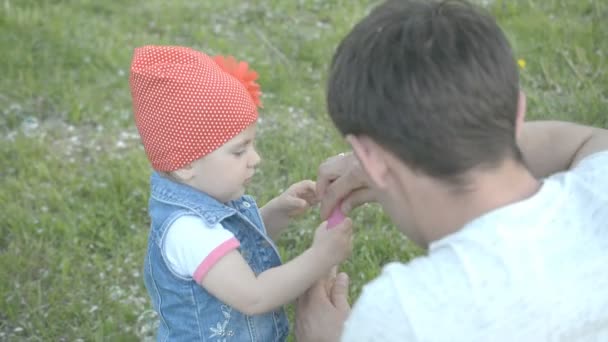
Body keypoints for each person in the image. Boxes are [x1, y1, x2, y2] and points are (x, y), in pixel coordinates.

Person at [295, 0, 608, 341]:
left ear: (373, 159)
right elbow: (589, 140)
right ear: (519, 111)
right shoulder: (599, 193)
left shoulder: (407, 311)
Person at [129, 45, 353, 341]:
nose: (255, 159)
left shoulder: (203, 211)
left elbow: (233, 249)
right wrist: (320, 257)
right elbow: (254, 296)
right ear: (185, 166)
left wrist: (276, 213)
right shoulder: (189, 232)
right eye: (239, 151)